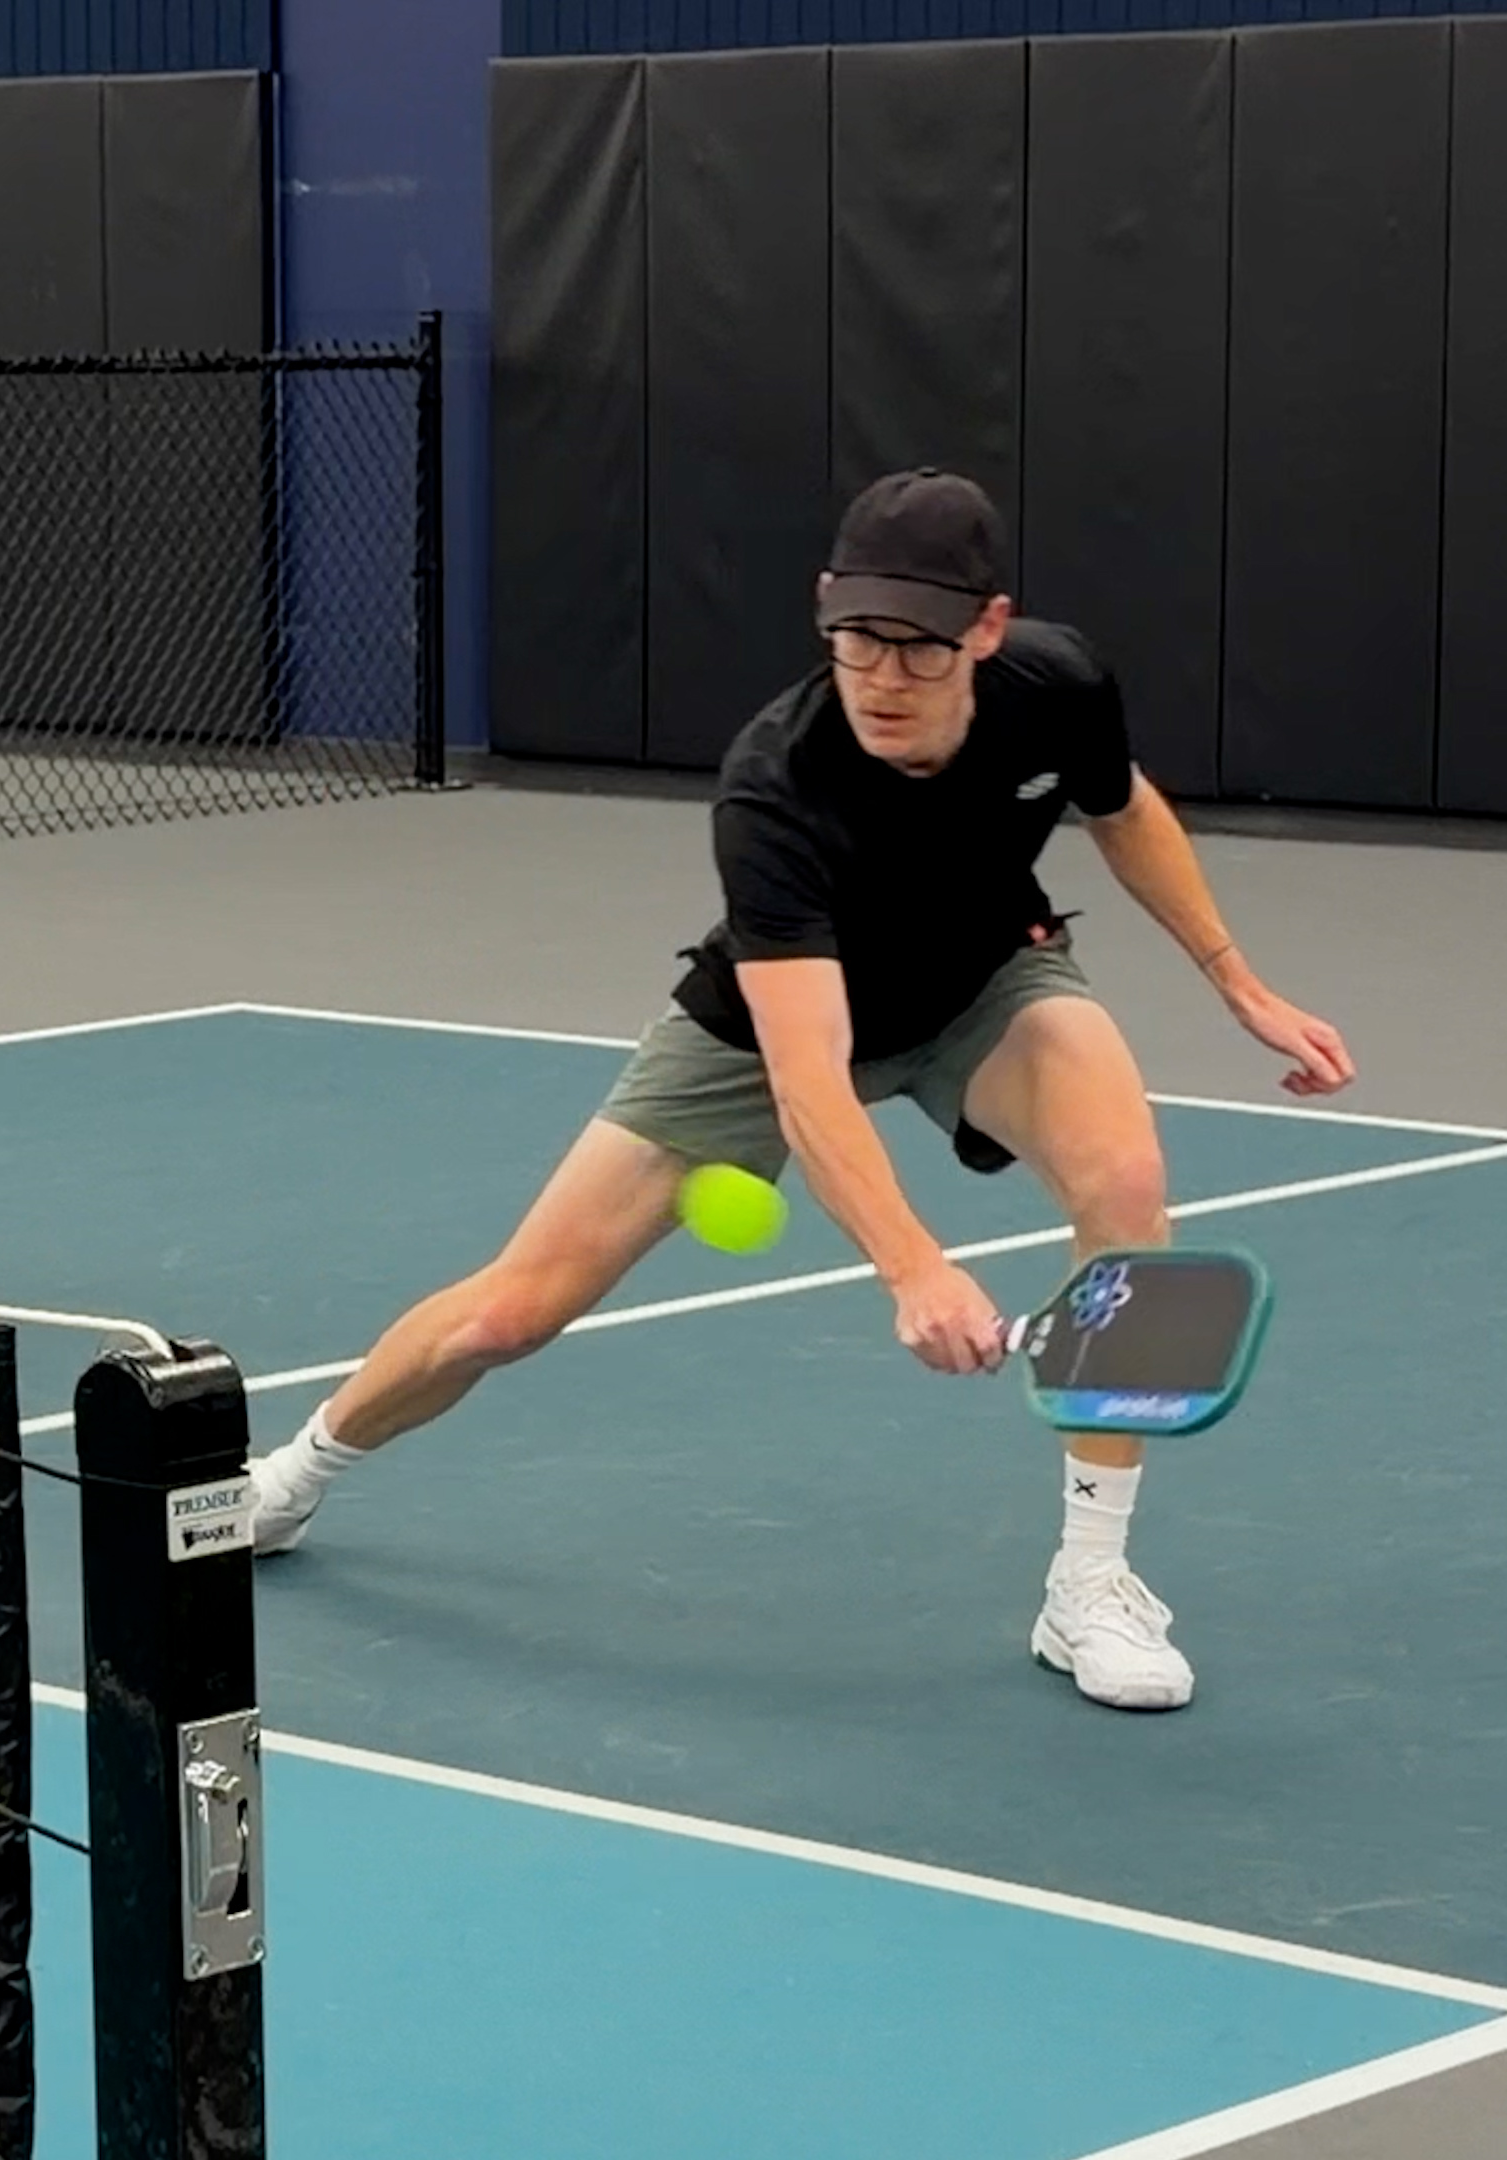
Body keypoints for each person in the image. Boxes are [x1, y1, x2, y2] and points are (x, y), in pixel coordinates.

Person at [239, 468, 1357, 1711]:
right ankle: (296, 1470)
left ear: (988, 631)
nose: (881, 677)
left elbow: (1121, 806)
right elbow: (811, 1078)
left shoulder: (1059, 685)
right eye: (856, 639)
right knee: (509, 1314)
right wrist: (914, 1266)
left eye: (919, 651)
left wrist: (1235, 981)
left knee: (1130, 1182)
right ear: (825, 609)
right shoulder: (777, 781)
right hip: (769, 1028)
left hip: (988, 982)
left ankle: (1090, 1583)